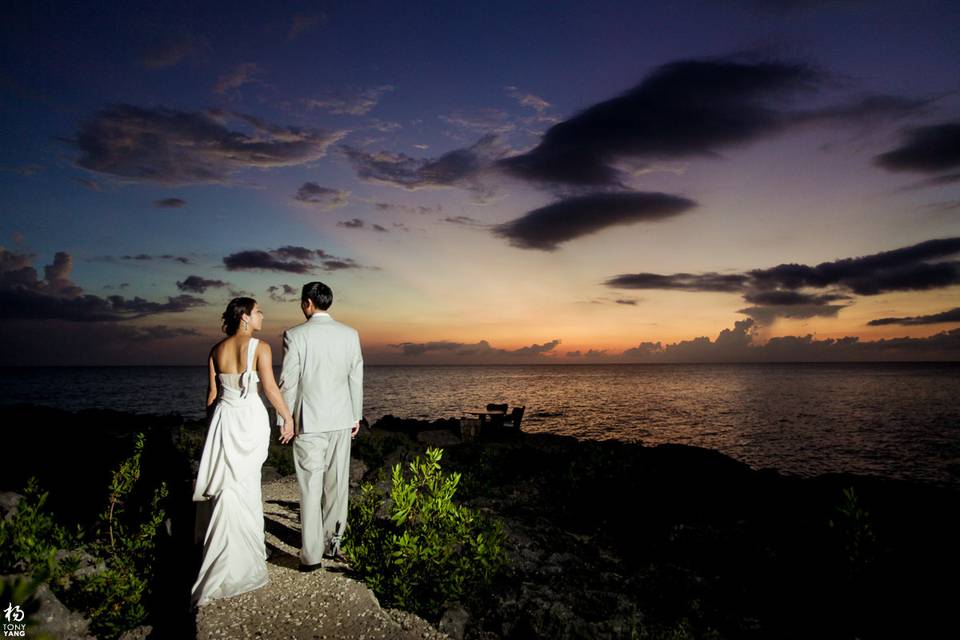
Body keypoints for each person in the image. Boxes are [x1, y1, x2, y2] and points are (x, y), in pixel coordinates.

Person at [191, 297, 296, 607]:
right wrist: (287, 417)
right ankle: (242, 559)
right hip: (249, 419)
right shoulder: (260, 348)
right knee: (247, 485)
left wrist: (213, 431)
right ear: (246, 318)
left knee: (227, 487)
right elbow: (270, 389)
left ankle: (224, 552)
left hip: (224, 419)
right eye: (258, 311)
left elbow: (211, 397)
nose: (262, 315)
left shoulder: (215, 351)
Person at [279, 281, 363, 571]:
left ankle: (311, 556)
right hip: (341, 419)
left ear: (307, 303)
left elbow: (288, 382)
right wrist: (356, 415)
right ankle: (332, 544)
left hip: (309, 421)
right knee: (337, 486)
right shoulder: (350, 334)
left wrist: (284, 419)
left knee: (310, 488)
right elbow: (356, 376)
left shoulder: (295, 335)